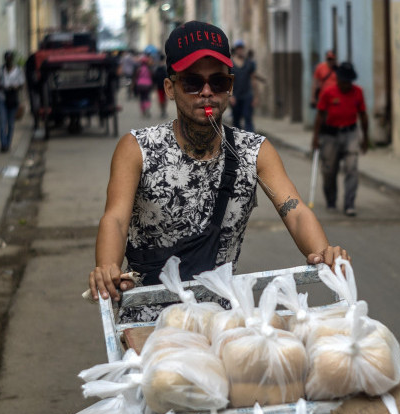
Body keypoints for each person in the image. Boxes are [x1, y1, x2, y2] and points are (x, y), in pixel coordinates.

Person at [88, 21, 349, 321]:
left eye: (218, 82)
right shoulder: (137, 149)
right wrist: (107, 266)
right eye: (192, 83)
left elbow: (296, 211)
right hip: (147, 323)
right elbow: (116, 219)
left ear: (231, 87)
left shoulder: (254, 151)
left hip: (221, 323)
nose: (207, 92)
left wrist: (324, 253)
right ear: (170, 88)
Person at [311, 62, 370, 217]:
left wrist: (365, 138)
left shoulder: (358, 92)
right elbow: (320, 116)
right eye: (344, 81)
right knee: (329, 170)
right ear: (338, 80)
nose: (346, 85)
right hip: (330, 135)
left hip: (350, 133)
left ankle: (349, 203)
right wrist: (315, 138)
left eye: (349, 82)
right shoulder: (328, 92)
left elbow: (363, 116)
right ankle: (331, 199)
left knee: (352, 168)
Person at [229, 40, 265, 132]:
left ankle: (250, 140)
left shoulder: (249, 64)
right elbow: (229, 81)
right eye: (238, 48)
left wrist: (256, 97)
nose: (240, 51)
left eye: (241, 48)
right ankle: (237, 141)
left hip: (247, 95)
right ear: (236, 50)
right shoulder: (231, 64)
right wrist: (230, 96)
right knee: (236, 121)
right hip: (236, 96)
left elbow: (253, 80)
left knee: (248, 118)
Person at [0, 50, 25, 152]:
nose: (8, 61)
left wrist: (15, 87)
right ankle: (3, 145)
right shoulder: (0, 70)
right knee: (2, 123)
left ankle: (8, 143)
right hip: (3, 99)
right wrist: (3, 87)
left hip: (13, 100)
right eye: (7, 59)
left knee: (11, 124)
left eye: (10, 59)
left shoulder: (18, 71)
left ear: (12, 60)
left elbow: (22, 85)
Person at [134, 53, 155, 118]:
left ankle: (143, 111)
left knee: (142, 98)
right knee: (147, 97)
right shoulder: (149, 69)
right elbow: (152, 77)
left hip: (140, 85)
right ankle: (147, 110)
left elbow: (136, 77)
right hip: (148, 85)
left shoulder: (139, 69)